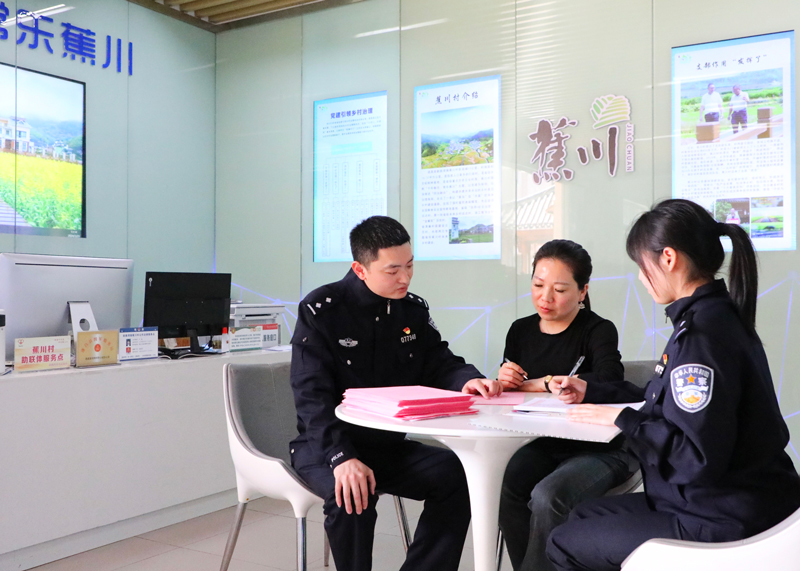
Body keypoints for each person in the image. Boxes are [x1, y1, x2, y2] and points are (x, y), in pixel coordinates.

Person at [545, 199, 800, 571]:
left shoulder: (701, 335)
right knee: (581, 515)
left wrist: (624, 421)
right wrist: (594, 391)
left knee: (562, 544)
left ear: (667, 258)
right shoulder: (710, 318)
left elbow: (695, 457)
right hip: (721, 500)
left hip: (721, 515)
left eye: (640, 265)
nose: (639, 277)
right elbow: (664, 401)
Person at [289, 215, 500, 571]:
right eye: (392, 270)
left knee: (460, 474)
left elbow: (440, 360)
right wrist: (341, 457)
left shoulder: (411, 309)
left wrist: (468, 379)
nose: (404, 278)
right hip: (325, 446)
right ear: (360, 268)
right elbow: (311, 395)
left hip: (384, 447)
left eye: (410, 266)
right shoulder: (323, 310)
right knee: (352, 495)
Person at [497, 239, 634, 571]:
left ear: (583, 291)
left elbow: (611, 381)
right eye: (538, 285)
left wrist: (550, 383)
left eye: (558, 289)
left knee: (548, 496)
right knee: (503, 483)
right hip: (541, 443)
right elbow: (513, 392)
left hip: (599, 449)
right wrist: (504, 379)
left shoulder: (598, 330)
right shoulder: (520, 330)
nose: (545, 298)